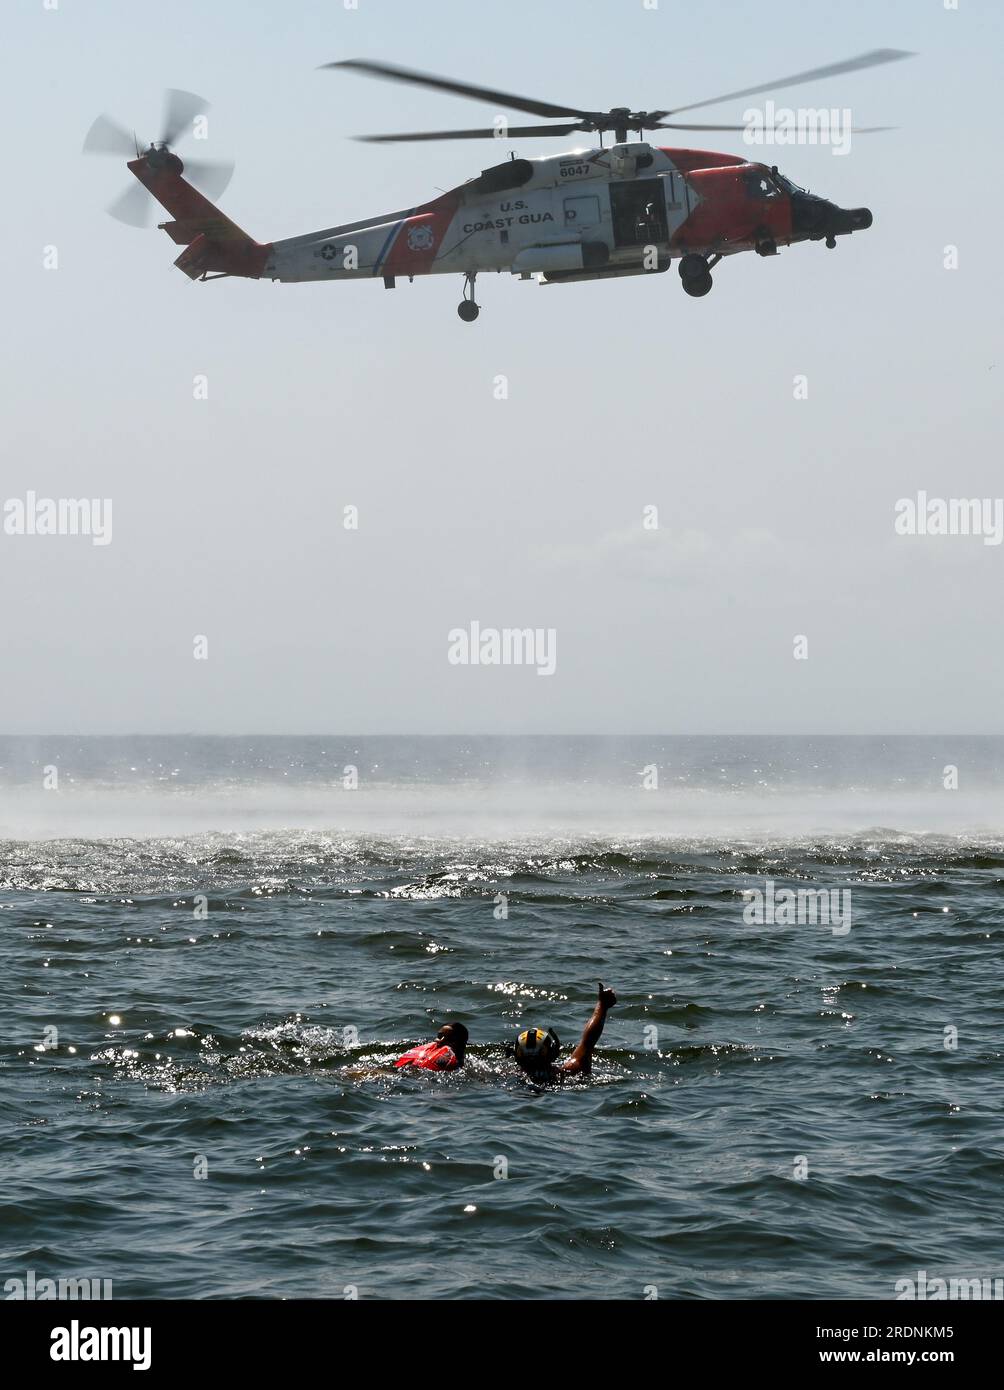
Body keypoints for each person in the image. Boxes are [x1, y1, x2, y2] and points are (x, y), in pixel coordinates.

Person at [513, 983, 617, 1083]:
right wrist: (602, 1006)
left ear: (517, 1056)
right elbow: (588, 1042)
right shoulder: (564, 1074)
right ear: (553, 1053)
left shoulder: (507, 1074)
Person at [394, 1021, 468, 1072]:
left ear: (461, 1043)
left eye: (450, 1038)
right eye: (439, 1036)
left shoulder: (462, 1068)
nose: (441, 1040)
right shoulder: (426, 1053)